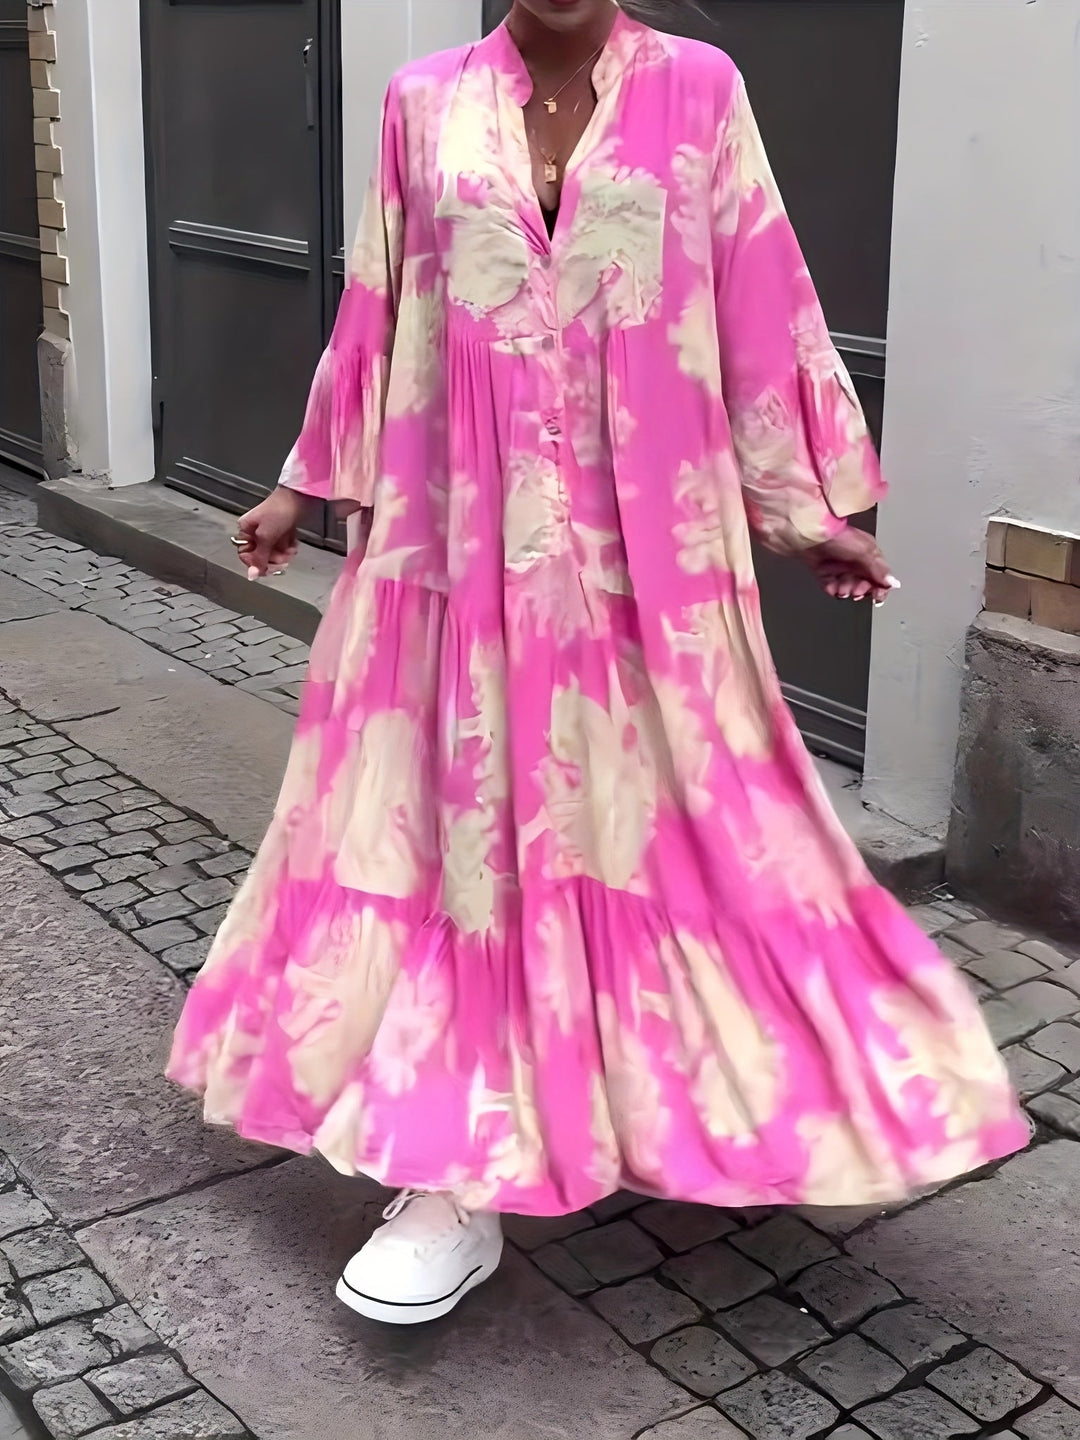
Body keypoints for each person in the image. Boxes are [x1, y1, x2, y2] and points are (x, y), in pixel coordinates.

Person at [168, 0, 1028, 1326]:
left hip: (650, 571)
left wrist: (804, 512)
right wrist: (305, 481)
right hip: (457, 554)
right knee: (455, 843)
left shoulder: (700, 90)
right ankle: (455, 1173)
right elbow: (378, 303)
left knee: (694, 839)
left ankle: (707, 1093)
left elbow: (761, 300)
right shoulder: (422, 102)